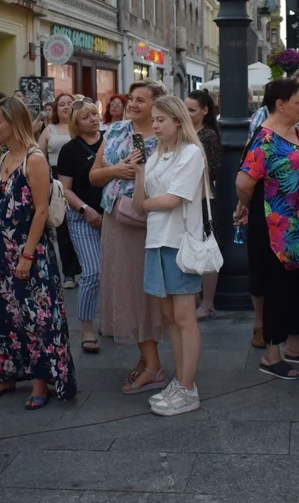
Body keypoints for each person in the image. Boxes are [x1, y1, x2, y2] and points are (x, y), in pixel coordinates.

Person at [0, 97, 76, 408]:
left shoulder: (34, 159)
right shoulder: (4, 158)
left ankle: (40, 383)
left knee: (37, 319)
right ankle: (3, 375)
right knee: (4, 317)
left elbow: (42, 211)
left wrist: (28, 256)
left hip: (30, 254)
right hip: (1, 254)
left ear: (15, 123)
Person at [235, 78, 299, 380]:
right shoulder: (265, 138)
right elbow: (244, 183)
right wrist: (250, 206)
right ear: (280, 104)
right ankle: (271, 354)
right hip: (275, 226)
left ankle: (295, 345)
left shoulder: (298, 133)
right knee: (277, 287)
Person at [89, 80, 169, 394]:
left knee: (140, 292)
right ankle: (146, 359)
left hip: (146, 223)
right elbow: (94, 176)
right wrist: (117, 170)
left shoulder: (165, 138)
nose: (132, 105)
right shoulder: (116, 131)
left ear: (157, 107)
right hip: (115, 219)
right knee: (124, 289)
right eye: (131, 99)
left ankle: (153, 365)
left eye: (140, 100)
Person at [133, 95, 208, 416]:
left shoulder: (192, 153)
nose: (155, 125)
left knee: (184, 316)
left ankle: (188, 388)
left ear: (178, 121)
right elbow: (143, 199)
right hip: (156, 241)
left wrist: (148, 203)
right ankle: (180, 380)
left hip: (180, 242)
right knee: (169, 318)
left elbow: (171, 200)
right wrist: (138, 173)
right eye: (154, 120)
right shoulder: (155, 156)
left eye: (161, 119)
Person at [57, 99, 105, 354]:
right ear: (77, 122)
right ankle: (87, 328)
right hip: (82, 217)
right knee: (92, 272)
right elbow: (64, 189)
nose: (93, 120)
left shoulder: (109, 140)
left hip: (114, 216)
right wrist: (85, 209)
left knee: (112, 273)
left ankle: (110, 320)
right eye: (86, 117)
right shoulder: (70, 149)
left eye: (95, 115)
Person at [186, 89, 221, 321]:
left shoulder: (207, 135)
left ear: (205, 111)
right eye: (184, 108)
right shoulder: (184, 131)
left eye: (192, 110)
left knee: (206, 246)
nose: (187, 114)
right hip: (186, 197)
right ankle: (195, 298)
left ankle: (207, 302)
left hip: (202, 198)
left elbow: (213, 169)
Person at [39, 92, 81, 289]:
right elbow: (38, 156)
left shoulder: (80, 128)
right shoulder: (49, 130)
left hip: (80, 177)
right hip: (56, 178)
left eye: (69, 103)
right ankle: (69, 273)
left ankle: (87, 268)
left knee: (84, 223)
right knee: (62, 226)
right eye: (61, 104)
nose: (65, 107)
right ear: (56, 109)